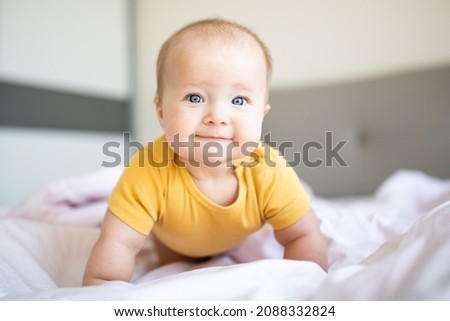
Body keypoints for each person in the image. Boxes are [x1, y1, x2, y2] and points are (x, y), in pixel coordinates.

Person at [83, 18, 328, 286]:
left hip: (237, 240)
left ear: (261, 115)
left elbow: (303, 235)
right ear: (162, 112)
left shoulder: (268, 171)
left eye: (238, 100)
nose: (217, 116)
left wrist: (305, 290)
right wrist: (100, 293)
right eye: (195, 97)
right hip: (172, 248)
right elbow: (118, 243)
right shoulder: (149, 169)